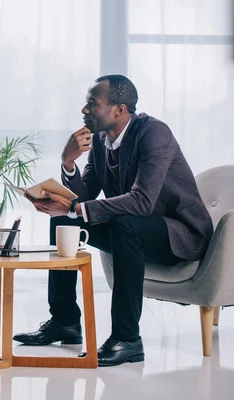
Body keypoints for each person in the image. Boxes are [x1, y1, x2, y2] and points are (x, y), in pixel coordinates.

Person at [13, 75, 213, 366]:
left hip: (179, 233)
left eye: (93, 103)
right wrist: (69, 164)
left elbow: (143, 202)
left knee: (120, 224)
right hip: (134, 227)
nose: (84, 109)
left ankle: (127, 338)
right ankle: (64, 321)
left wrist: (76, 208)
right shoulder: (101, 141)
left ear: (119, 110)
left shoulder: (155, 133)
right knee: (64, 221)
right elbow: (85, 195)